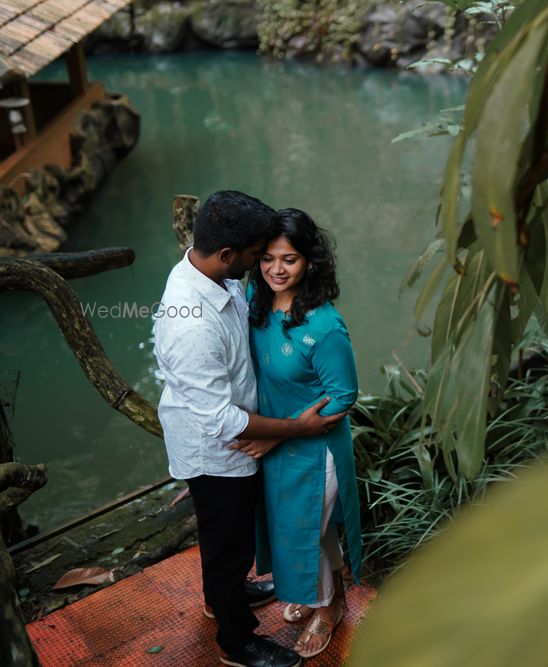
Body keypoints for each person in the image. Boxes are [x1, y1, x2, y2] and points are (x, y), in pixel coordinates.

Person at [153, 191, 344, 667]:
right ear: (226, 256)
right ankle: (236, 642)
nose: (264, 263)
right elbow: (222, 420)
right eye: (257, 255)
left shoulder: (214, 276)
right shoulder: (190, 323)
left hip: (232, 433)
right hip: (218, 449)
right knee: (227, 545)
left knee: (228, 541)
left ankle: (224, 598)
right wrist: (295, 428)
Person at [231, 208, 362, 660]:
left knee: (307, 528)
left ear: (309, 261)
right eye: (267, 259)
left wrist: (277, 437)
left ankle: (328, 607)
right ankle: (323, 593)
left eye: (288, 259)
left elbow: (343, 396)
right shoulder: (257, 300)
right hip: (277, 440)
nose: (276, 270)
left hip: (314, 448)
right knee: (304, 529)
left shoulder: (323, 326)